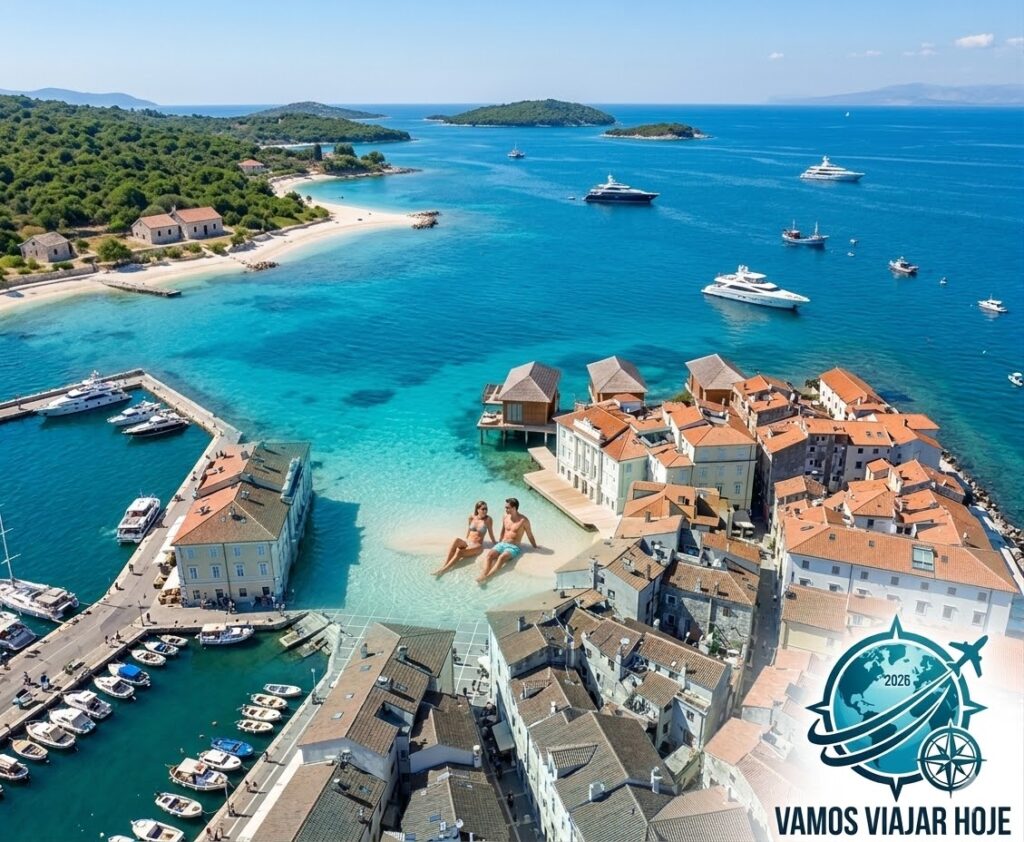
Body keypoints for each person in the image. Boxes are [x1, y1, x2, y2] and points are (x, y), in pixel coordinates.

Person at [476, 498, 536, 583]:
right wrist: (499, 542)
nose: (506, 509)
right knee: (489, 555)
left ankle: (488, 577)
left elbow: (530, 535)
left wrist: (535, 547)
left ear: (514, 508)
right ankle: (483, 574)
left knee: (501, 557)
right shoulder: (505, 516)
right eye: (505, 507)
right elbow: (503, 530)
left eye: (508, 508)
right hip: (502, 543)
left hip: (513, 547)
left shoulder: (523, 520)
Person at [434, 501, 495, 576]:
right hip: (468, 542)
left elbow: (491, 533)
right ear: (477, 509)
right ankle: (445, 565)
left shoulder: (488, 519)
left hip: (477, 545)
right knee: (456, 540)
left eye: (486, 509)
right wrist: (465, 540)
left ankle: (444, 570)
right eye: (483, 509)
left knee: (459, 552)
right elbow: (469, 530)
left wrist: (495, 543)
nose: (485, 510)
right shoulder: (471, 517)